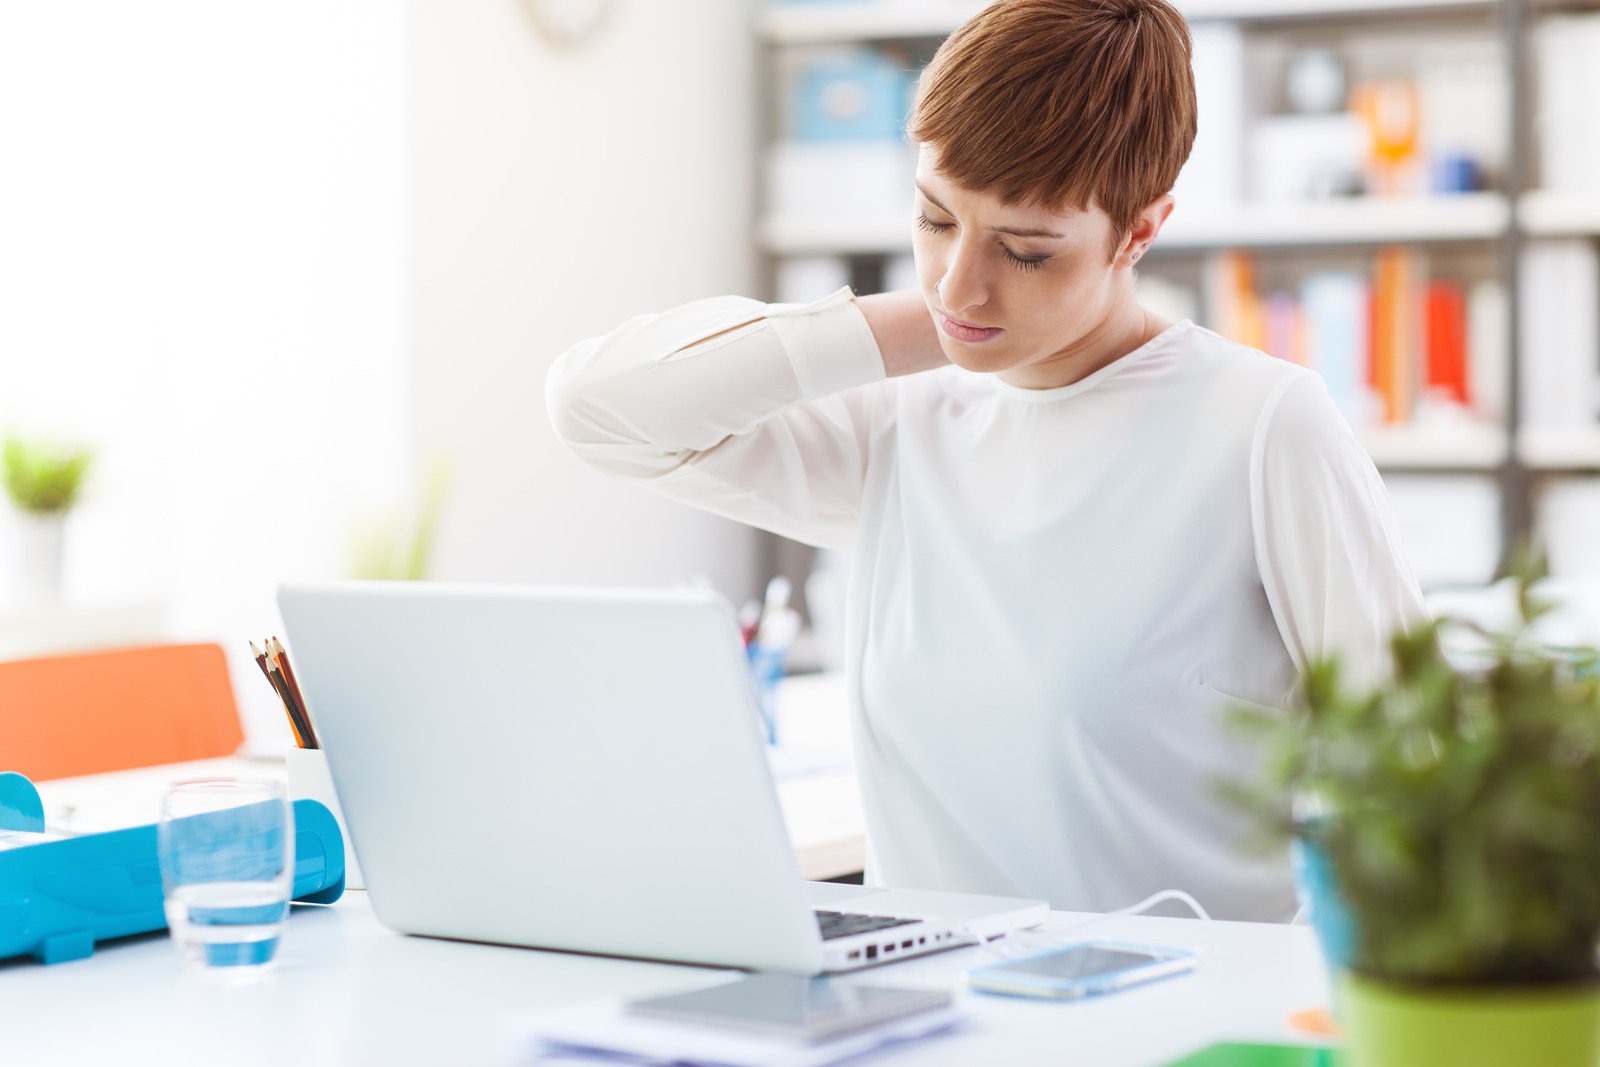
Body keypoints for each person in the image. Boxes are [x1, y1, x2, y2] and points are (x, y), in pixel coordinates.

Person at [545, 0, 1425, 921]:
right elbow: (601, 410)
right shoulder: (902, 419)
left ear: (1139, 233)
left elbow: (1421, 780)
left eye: (1027, 251)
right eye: (933, 219)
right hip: (921, 1016)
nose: (960, 280)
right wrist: (939, 330)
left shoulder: (1262, 427)